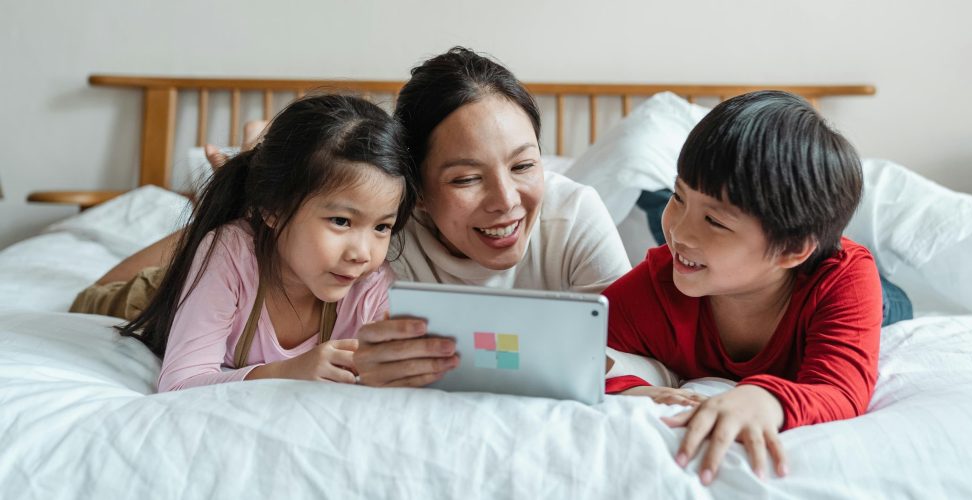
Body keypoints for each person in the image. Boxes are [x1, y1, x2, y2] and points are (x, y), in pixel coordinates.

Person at [75, 47, 632, 388]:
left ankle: (254, 172)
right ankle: (238, 185)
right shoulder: (372, 227)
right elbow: (183, 378)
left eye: (524, 165)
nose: (506, 201)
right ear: (421, 194)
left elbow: (633, 346)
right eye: (464, 178)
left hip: (282, 250)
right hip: (184, 287)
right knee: (109, 292)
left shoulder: (375, 261)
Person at [602, 91, 881, 484]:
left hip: (852, 288)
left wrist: (767, 397)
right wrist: (632, 390)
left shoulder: (843, 279)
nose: (679, 232)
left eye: (715, 221)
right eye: (678, 197)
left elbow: (839, 390)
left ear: (792, 248)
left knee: (889, 302)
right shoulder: (658, 285)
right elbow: (573, 354)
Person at [108, 94, 417, 392]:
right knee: (97, 294)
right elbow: (179, 382)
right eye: (341, 221)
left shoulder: (372, 284)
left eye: (382, 226)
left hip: (266, 244)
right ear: (273, 209)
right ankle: (244, 170)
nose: (362, 254)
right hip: (154, 291)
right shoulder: (229, 253)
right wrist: (289, 371)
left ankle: (252, 155)